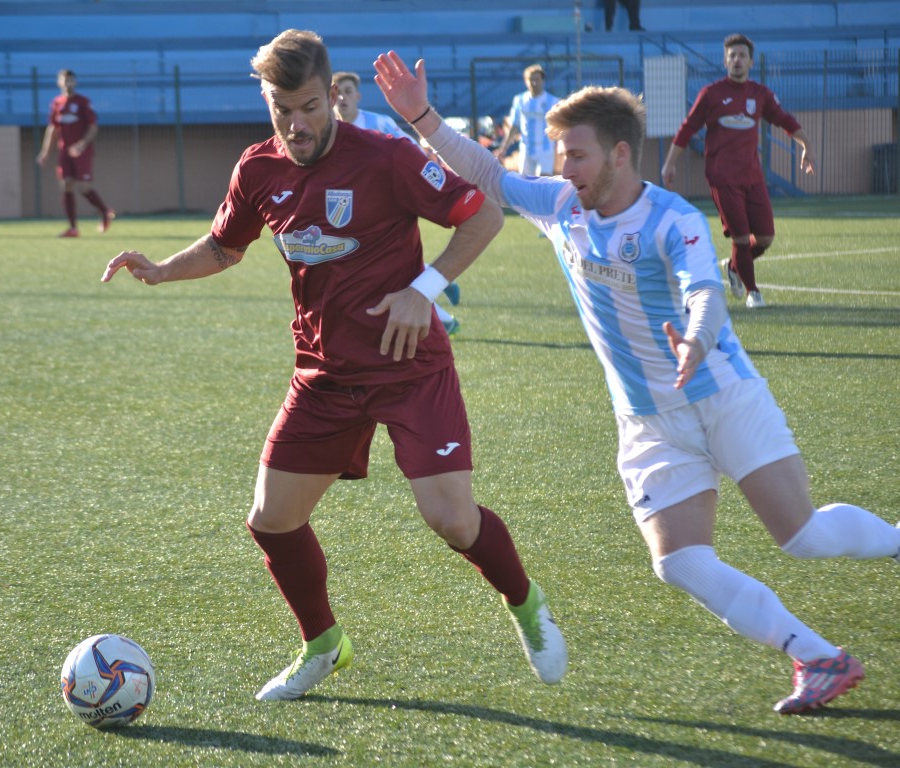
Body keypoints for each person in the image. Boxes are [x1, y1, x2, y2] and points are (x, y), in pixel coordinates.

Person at [374, 50, 900, 715]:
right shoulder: (564, 206)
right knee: (678, 560)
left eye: (577, 156)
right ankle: (819, 657)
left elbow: (705, 292)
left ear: (620, 156)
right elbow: (487, 174)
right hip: (647, 419)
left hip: (720, 396)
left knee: (802, 536)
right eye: (562, 156)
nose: (563, 170)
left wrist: (697, 339)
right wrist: (420, 115)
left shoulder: (671, 219)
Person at [102, 30, 568, 702]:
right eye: (281, 109)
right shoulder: (257, 169)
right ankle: (324, 645)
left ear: (332, 96)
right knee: (271, 519)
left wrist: (425, 290)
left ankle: (526, 604)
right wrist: (160, 271)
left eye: (310, 107)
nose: (297, 124)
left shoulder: (383, 156)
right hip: (323, 376)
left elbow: (483, 216)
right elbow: (225, 246)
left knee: (453, 521)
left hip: (410, 369)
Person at [661, 34, 815, 309]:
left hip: (753, 177)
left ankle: (733, 266)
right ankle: (752, 293)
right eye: (732, 55)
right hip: (723, 177)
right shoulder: (711, 94)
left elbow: (784, 120)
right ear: (725, 61)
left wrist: (806, 144)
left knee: (765, 237)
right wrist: (670, 162)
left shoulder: (760, 94)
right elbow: (687, 128)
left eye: (742, 55)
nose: (737, 60)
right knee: (741, 238)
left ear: (751, 62)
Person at [333, 70, 464, 334]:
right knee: (386, 271)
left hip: (387, 208)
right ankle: (439, 288)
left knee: (389, 272)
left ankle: (443, 318)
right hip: (354, 213)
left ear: (358, 96)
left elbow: (411, 151)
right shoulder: (330, 133)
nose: (343, 98)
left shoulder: (378, 123)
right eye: (337, 93)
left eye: (348, 91)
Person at [37, 69, 115, 238]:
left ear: (75, 82)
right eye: (64, 80)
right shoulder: (57, 103)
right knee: (66, 184)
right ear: (59, 82)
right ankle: (73, 228)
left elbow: (93, 127)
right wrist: (45, 152)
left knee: (83, 186)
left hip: (82, 151)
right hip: (64, 150)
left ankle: (104, 211)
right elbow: (53, 129)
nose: (67, 84)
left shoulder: (83, 102)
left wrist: (82, 144)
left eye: (70, 80)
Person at [494, 64, 560, 177]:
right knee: (526, 182)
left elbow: (558, 126)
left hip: (545, 149)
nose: (534, 83)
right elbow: (515, 126)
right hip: (526, 149)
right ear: (526, 81)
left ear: (543, 81)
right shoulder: (519, 100)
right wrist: (503, 148)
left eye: (537, 80)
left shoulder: (552, 101)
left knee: (543, 181)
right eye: (531, 80)